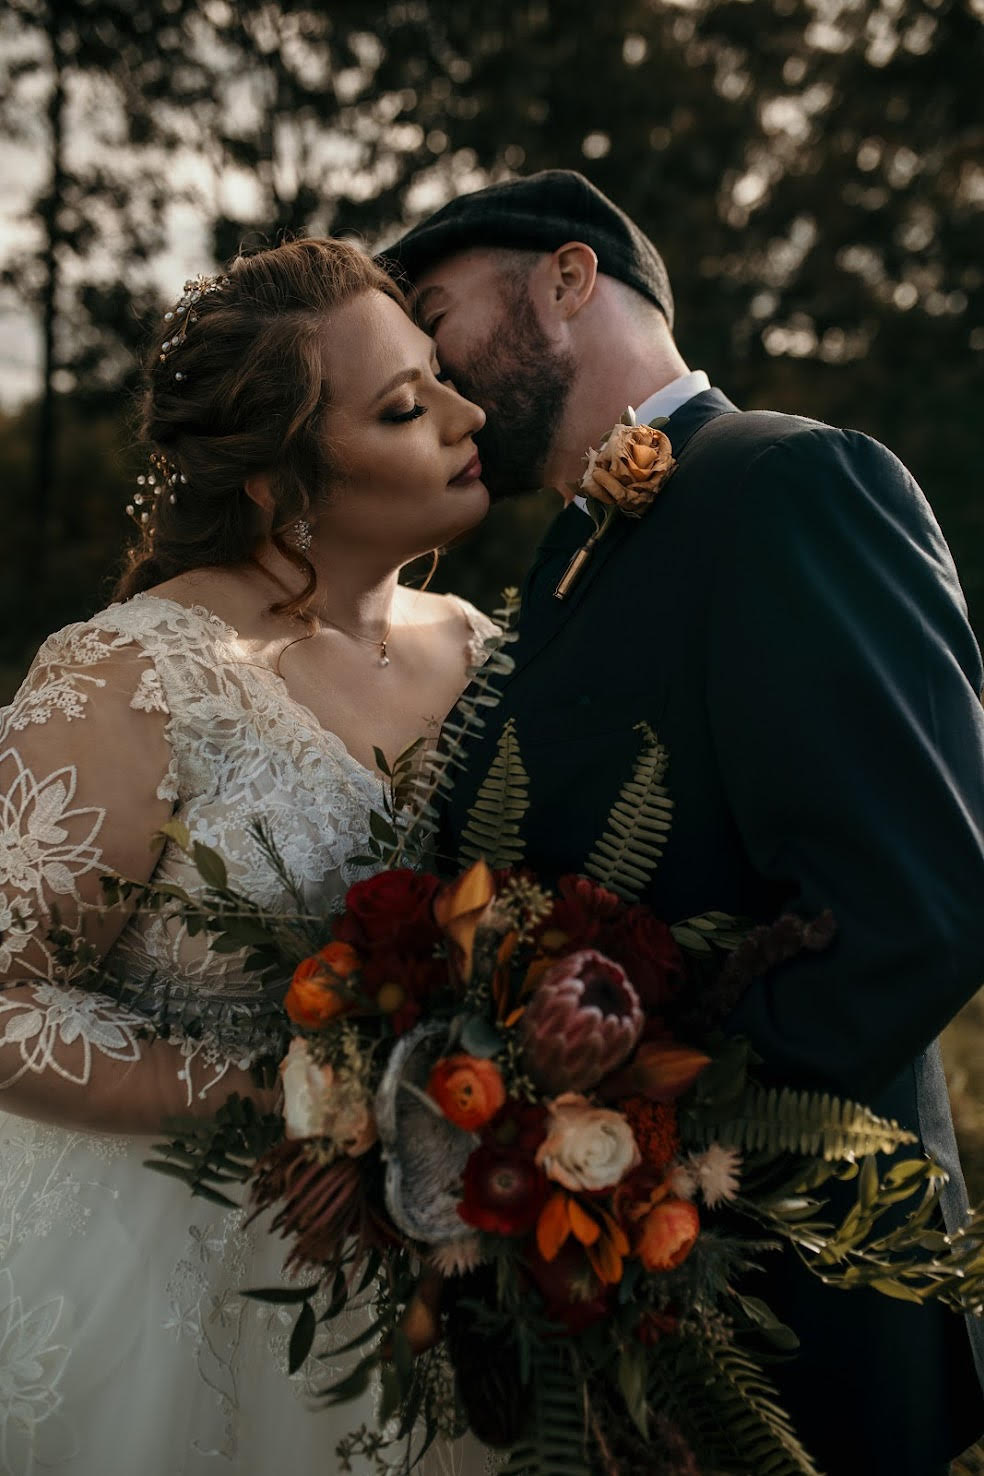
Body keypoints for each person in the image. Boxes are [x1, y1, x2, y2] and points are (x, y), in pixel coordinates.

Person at [381, 169, 984, 1476]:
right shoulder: (569, 563)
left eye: (436, 316)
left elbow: (915, 910)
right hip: (614, 1316)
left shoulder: (792, 480)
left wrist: (647, 1126)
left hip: (791, 1307)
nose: (425, 371)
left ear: (567, 278)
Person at [0, 238, 498, 1475]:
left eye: (439, 377)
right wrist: (275, 1097)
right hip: (171, 1255)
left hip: (446, 1249)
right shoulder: (133, 676)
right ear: (281, 484)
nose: (467, 414)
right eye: (403, 405)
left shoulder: (492, 653)